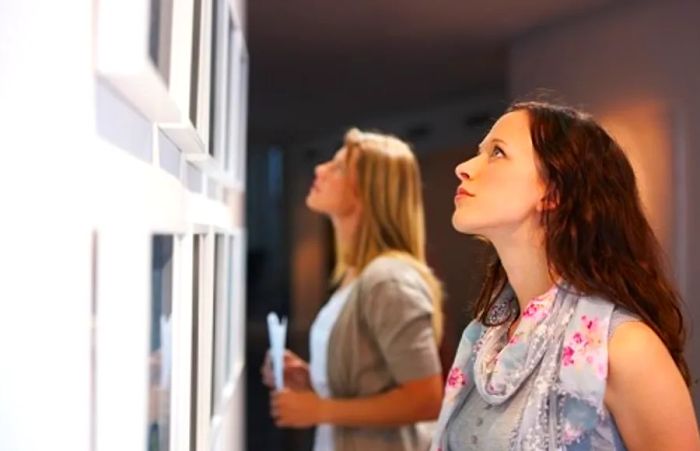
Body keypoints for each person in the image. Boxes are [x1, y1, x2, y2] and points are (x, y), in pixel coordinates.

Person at [431, 101, 700, 451]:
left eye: (497, 152)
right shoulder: (484, 341)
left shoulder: (622, 346)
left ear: (553, 193)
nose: (463, 167)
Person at [261, 128, 444, 451]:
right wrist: (313, 380)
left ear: (371, 192)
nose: (319, 170)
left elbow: (426, 399)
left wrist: (321, 409)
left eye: (339, 167)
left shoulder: (388, 279)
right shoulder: (354, 277)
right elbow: (371, 385)